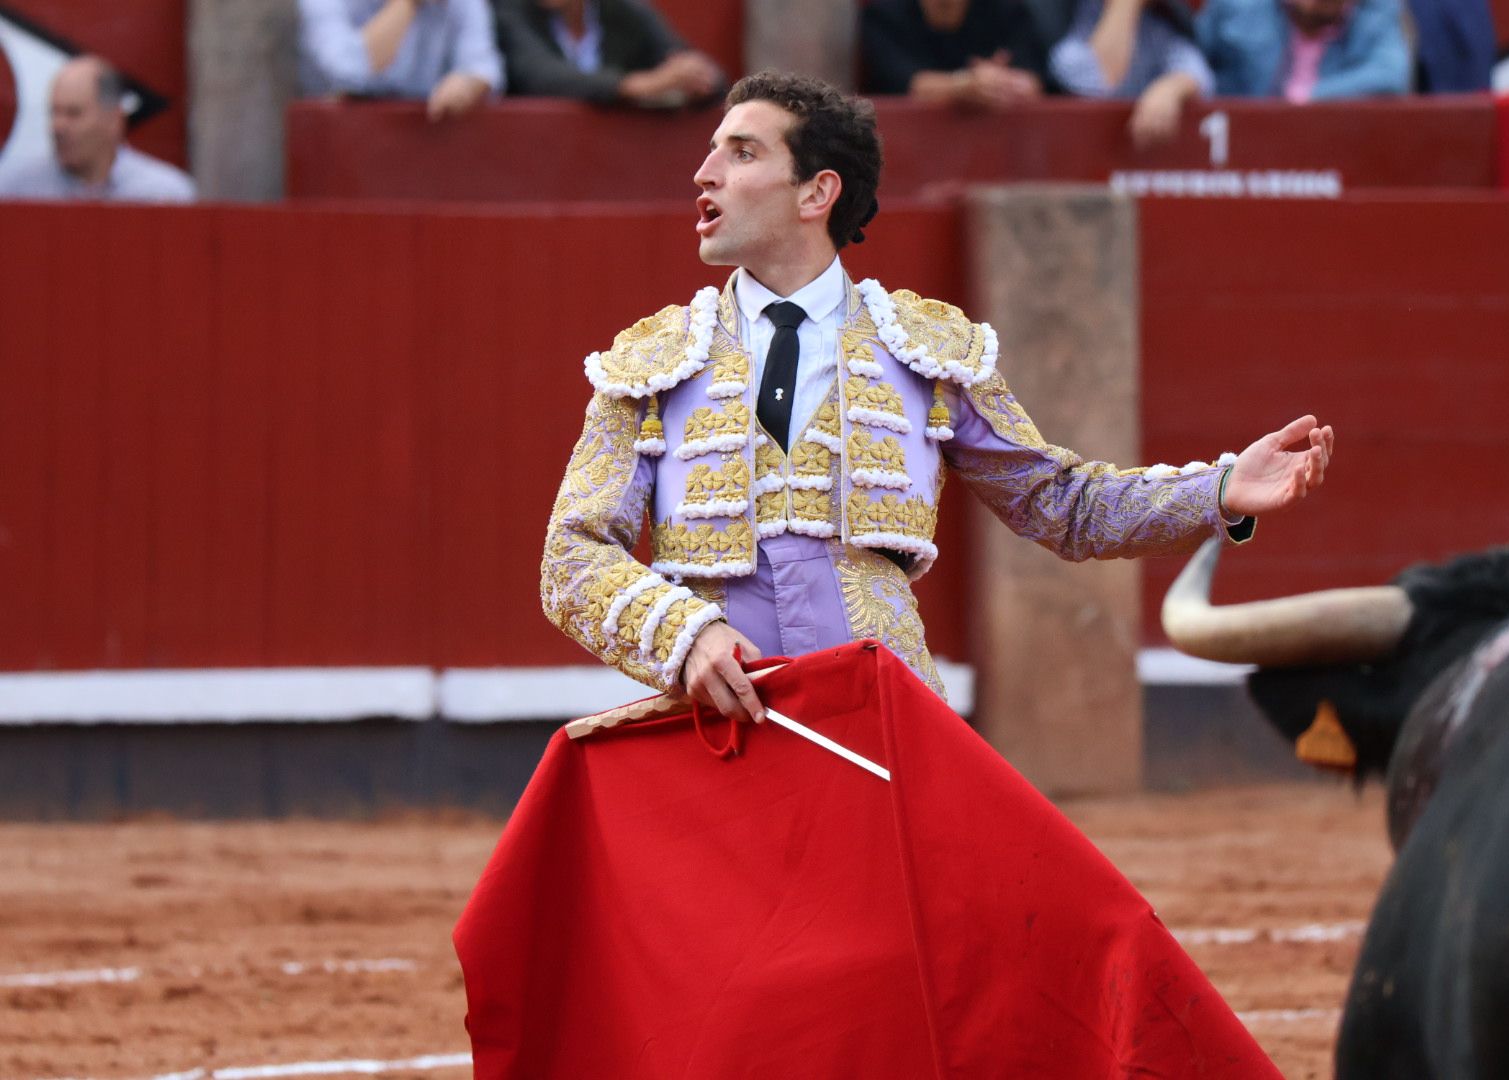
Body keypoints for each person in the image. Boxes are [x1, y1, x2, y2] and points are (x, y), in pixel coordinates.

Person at [540, 70, 1333, 725]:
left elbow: (1062, 503)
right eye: (713, 150)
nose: (704, 173)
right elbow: (571, 557)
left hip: (886, 718)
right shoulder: (651, 364)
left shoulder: (922, 350)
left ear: (817, 193)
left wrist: (1218, 490)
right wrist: (688, 633)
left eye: (740, 152)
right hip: (717, 717)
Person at [0, 57, 195, 203]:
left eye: (73, 113)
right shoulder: (18, 192)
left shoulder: (162, 195)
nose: (58, 126)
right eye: (54, 112)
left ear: (113, 120)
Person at [1045, 0, 1214, 148]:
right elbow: (1097, 80)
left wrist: (1170, 89)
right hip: (1077, 163)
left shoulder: (1158, 20)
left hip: (1141, 160)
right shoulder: (1063, 13)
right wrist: (1124, 4)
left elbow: (1198, 71)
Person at [297, 0, 504, 121]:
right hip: (339, 154)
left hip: (428, 146)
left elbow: (484, 65)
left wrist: (467, 84)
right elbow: (347, 72)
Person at [493, 0, 724, 106]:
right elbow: (539, 75)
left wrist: (697, 78)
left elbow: (694, 66)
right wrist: (635, 85)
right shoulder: (509, 10)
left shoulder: (624, 10)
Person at [1197, 0, 1411, 101]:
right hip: (1240, 154)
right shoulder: (1236, 8)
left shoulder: (1374, 10)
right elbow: (1193, 57)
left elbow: (1391, 75)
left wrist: (1308, 98)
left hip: (1333, 152)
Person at [861, 0, 1047, 108]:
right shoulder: (884, 15)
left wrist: (998, 83)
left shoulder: (1006, 9)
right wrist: (965, 83)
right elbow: (906, 83)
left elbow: (1032, 81)